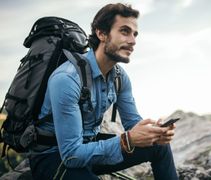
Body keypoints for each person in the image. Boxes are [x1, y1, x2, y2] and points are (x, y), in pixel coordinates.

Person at [28, 3, 178, 180]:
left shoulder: (119, 76)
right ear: (101, 34)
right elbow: (71, 155)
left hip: (90, 147)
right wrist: (126, 141)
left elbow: (132, 123)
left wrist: (153, 133)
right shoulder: (67, 79)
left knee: (159, 146)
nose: (133, 41)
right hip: (54, 157)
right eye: (124, 31)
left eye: (134, 34)